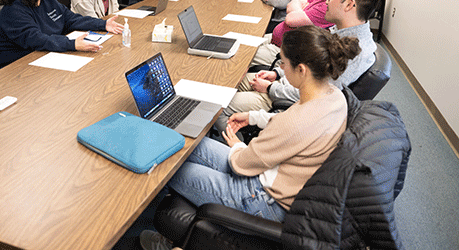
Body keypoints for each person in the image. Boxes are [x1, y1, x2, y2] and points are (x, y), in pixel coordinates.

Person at [139, 25, 360, 250]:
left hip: (261, 198)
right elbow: (292, 126)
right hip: (280, 180)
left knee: (169, 166)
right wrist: (255, 117)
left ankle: (170, 239)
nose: (281, 68)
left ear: (301, 69)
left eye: (283, 63)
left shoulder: (297, 122)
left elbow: (241, 164)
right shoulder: (334, 97)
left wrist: (237, 147)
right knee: (190, 144)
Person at [215, 0, 380, 141]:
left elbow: (314, 98)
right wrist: (278, 75)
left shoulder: (355, 53)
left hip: (285, 99)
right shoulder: (341, 32)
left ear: (349, 4)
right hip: (284, 83)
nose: (327, 1)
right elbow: (310, 70)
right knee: (225, 83)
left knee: (217, 103)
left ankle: (238, 153)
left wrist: (271, 88)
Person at [252, 0, 360, 66]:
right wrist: (302, 12)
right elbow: (293, 3)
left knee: (243, 54)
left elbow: (290, 19)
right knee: (245, 41)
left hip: (284, 51)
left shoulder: (329, 7)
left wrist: (299, 11)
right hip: (276, 39)